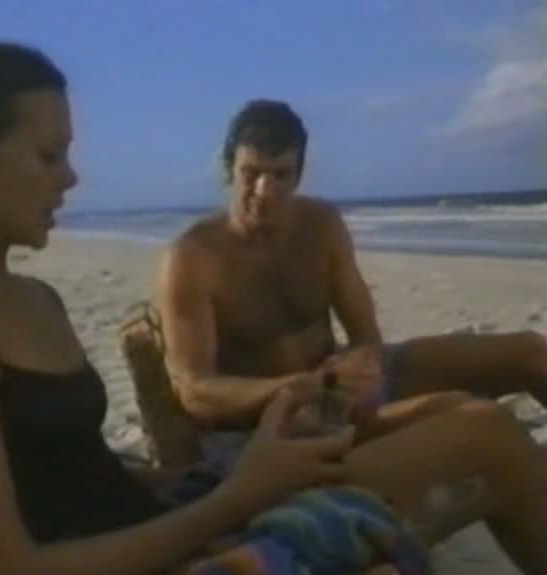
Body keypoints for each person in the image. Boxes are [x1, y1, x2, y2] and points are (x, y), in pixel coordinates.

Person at [0, 43, 547, 575]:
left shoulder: (31, 299)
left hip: (173, 515)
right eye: (49, 155)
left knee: (479, 423)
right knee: (484, 437)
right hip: (177, 547)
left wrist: (211, 478)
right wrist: (238, 495)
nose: (72, 177)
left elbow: (80, 477)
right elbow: (9, 568)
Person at [155, 99, 547, 438]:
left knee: (530, 352)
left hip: (339, 388)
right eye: (251, 173)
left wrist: (363, 368)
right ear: (228, 170)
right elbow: (196, 392)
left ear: (298, 175)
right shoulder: (193, 257)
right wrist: (302, 387)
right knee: (471, 420)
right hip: (268, 420)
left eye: (280, 174)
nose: (264, 190)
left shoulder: (321, 226)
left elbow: (365, 333)